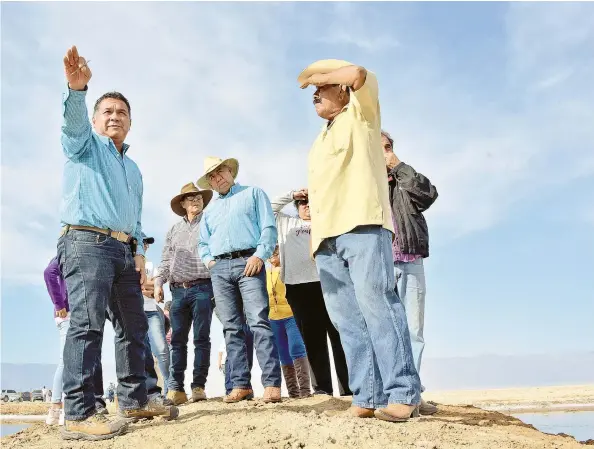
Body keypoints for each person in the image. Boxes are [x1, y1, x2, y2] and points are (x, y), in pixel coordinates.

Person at [57, 45, 178, 440]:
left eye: (121, 113)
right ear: (95, 119)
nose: (114, 116)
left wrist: (141, 251)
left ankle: (135, 399)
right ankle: (78, 413)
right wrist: (78, 90)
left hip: (124, 251)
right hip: (85, 243)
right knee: (87, 324)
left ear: (130, 123)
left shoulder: (134, 168)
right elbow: (72, 124)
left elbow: (138, 219)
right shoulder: (84, 145)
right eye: (107, 111)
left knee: (134, 326)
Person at [298, 59, 421, 422]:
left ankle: (404, 392)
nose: (316, 93)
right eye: (314, 90)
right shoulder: (319, 139)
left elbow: (359, 75)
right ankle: (367, 395)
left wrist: (319, 75)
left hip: (363, 226)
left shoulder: (363, 116)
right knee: (347, 320)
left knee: (379, 306)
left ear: (343, 91)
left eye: (323, 88)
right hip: (326, 239)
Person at [197, 156, 281, 403]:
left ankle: (272, 383)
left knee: (258, 322)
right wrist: (210, 263)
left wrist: (259, 255)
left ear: (230, 171)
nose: (217, 177)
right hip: (220, 269)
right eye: (211, 176)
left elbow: (268, 227)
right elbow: (203, 243)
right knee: (231, 328)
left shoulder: (254, 194)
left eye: (220, 171)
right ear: (210, 184)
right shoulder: (209, 210)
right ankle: (241, 384)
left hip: (249, 263)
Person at [271, 189, 351, 396]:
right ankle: (322, 388)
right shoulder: (286, 223)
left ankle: (350, 388)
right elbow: (270, 208)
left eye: (311, 202)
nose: (307, 206)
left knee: (339, 336)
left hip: (331, 284)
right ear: (297, 207)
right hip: (299, 287)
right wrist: (292, 194)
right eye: (302, 203)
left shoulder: (328, 222)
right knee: (313, 340)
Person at [381, 130, 438, 415]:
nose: (384, 153)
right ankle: (393, 394)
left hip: (411, 260)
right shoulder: (366, 183)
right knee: (386, 330)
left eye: (387, 147)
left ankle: (413, 395)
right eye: (378, 148)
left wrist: (398, 166)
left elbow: (429, 195)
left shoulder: (404, 180)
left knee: (414, 330)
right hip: (381, 263)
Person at [154, 183, 214, 405]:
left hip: (204, 287)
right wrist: (159, 282)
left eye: (198, 197)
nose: (195, 201)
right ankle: (176, 389)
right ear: (182, 204)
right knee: (177, 340)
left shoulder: (210, 222)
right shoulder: (173, 231)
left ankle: (198, 386)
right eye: (190, 198)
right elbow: (166, 261)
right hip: (177, 291)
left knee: (201, 339)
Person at [43, 257, 108, 426]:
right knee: (67, 360)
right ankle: (57, 407)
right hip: (69, 314)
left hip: (80, 313)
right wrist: (59, 304)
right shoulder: (66, 252)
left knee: (75, 360)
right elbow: (49, 273)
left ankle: (62, 408)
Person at [267, 246, 311, 398]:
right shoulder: (265, 273)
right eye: (271, 253)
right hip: (274, 318)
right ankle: (293, 392)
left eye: (276, 253)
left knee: (296, 348)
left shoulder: (287, 270)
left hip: (291, 315)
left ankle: (305, 391)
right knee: (283, 354)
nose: (273, 256)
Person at [140, 234, 171, 397]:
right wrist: (146, 285)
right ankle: (145, 392)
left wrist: (145, 285)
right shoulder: (125, 262)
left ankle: (170, 387)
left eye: (147, 243)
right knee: (140, 352)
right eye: (143, 242)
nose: (146, 245)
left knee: (161, 349)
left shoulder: (151, 265)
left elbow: (157, 285)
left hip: (151, 311)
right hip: (133, 313)